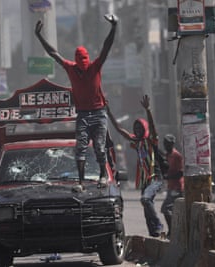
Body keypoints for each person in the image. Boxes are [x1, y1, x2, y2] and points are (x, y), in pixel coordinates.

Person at [34, 14, 117, 190]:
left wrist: (114, 27)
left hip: (99, 112)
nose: (83, 66)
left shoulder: (95, 66)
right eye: (81, 64)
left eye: (85, 63)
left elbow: (106, 47)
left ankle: (102, 175)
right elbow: (53, 53)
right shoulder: (70, 68)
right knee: (80, 148)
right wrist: (39, 36)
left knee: (100, 148)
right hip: (83, 114)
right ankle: (80, 182)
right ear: (76, 62)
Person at [106, 95, 164, 237]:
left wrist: (148, 110)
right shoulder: (136, 142)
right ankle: (154, 233)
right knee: (146, 206)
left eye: (140, 127)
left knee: (145, 199)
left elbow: (153, 127)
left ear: (144, 128)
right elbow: (119, 129)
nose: (137, 130)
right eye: (135, 127)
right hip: (145, 180)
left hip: (155, 178)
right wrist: (108, 111)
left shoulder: (152, 140)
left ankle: (158, 224)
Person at [160, 134, 184, 238]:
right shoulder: (167, 155)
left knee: (166, 209)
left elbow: (181, 172)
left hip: (177, 187)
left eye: (168, 144)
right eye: (165, 144)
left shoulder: (177, 155)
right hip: (171, 187)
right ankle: (175, 231)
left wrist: (169, 177)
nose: (166, 146)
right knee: (172, 210)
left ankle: (173, 230)